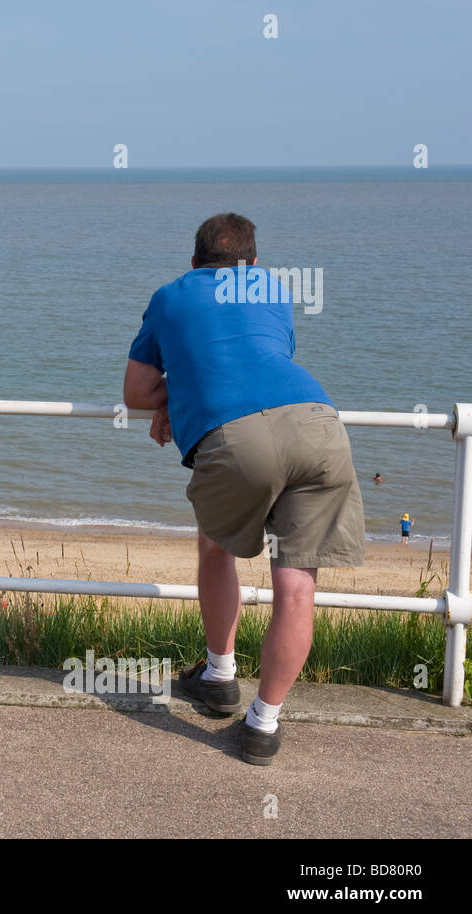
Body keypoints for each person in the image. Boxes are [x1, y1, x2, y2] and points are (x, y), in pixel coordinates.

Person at [123, 212, 365, 765]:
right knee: (298, 586)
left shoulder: (170, 295)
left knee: (215, 547)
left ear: (194, 263)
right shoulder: (273, 289)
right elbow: (259, 357)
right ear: (253, 262)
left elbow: (137, 391)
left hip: (236, 439)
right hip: (319, 425)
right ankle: (263, 724)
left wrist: (175, 398)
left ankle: (220, 675)